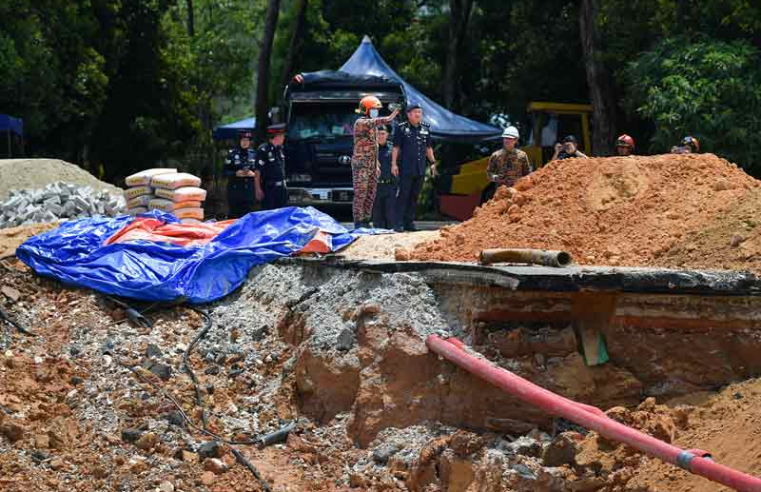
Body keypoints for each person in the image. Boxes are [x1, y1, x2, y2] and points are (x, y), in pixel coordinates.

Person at [351, 95, 399, 229]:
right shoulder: (361, 122)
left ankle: (366, 220)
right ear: (366, 110)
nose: (375, 112)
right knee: (361, 193)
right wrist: (389, 118)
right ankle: (358, 222)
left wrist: (376, 163)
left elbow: (374, 146)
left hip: (371, 164)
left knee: (371, 194)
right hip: (362, 164)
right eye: (373, 109)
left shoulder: (372, 126)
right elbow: (374, 122)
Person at [392, 104, 437, 232]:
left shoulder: (425, 129)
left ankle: (409, 223)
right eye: (415, 112)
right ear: (408, 114)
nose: (418, 114)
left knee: (414, 196)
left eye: (420, 112)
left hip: (420, 168)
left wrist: (433, 162)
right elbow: (396, 148)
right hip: (406, 168)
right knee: (403, 195)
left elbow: (429, 148)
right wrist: (393, 164)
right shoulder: (401, 128)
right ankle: (398, 223)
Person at [255, 124, 288, 210]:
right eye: (282, 136)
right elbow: (257, 171)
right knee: (269, 215)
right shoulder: (263, 149)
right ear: (276, 136)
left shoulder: (280, 149)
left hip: (281, 189)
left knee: (281, 215)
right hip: (270, 189)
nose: (283, 138)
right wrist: (258, 189)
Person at [224, 130, 257, 218]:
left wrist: (253, 174)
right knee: (234, 218)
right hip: (235, 192)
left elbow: (259, 171)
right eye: (243, 140)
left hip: (249, 192)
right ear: (239, 141)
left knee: (247, 218)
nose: (245, 142)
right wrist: (235, 173)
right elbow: (225, 172)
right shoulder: (232, 154)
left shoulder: (254, 154)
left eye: (247, 140)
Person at [371, 126, 396, 229]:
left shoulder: (393, 149)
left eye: (383, 133)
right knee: (377, 217)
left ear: (387, 135)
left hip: (390, 186)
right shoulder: (370, 149)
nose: (380, 136)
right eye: (378, 133)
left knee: (391, 216)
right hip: (375, 187)